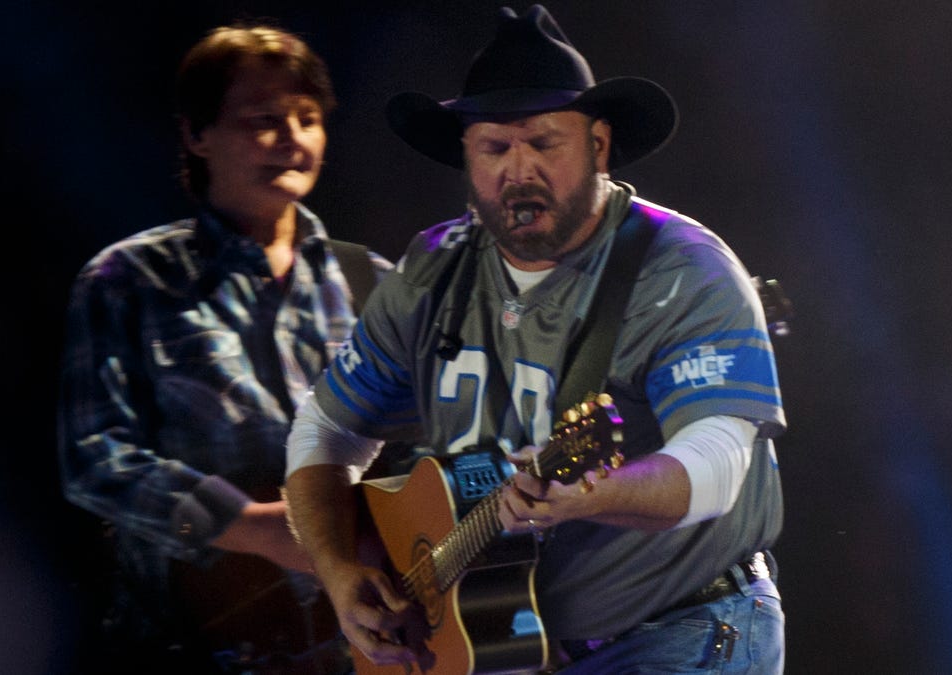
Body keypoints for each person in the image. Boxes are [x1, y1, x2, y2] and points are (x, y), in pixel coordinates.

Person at [284, 5, 786, 674]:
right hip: (511, 645)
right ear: (466, 155)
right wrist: (340, 571)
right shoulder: (431, 270)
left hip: (683, 630)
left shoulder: (681, 268)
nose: (519, 170)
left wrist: (600, 493)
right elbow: (323, 428)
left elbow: (719, 461)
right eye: (495, 148)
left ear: (599, 146)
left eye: (544, 143)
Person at [57, 22, 389, 674]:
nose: (293, 138)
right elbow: (95, 458)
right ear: (195, 134)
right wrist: (252, 525)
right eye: (263, 119)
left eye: (308, 117)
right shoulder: (127, 280)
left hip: (361, 650)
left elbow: (434, 442)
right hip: (186, 649)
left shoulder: (376, 281)